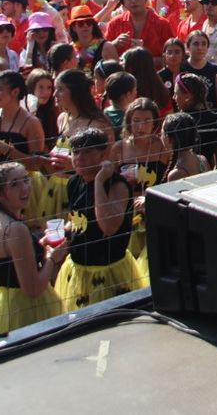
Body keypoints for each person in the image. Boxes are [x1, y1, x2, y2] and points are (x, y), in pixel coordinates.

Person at [0, 162, 66, 345]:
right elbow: (32, 289)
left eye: (26, 180)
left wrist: (38, 246)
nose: (25, 188)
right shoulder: (16, 229)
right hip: (23, 309)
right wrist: (52, 258)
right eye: (14, 184)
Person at [54, 128, 142, 309]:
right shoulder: (73, 182)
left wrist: (99, 181)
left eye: (87, 152)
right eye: (76, 152)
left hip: (109, 272)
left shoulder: (117, 185)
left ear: (103, 154)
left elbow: (108, 227)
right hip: (78, 270)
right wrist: (62, 234)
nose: (79, 157)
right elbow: (79, 219)